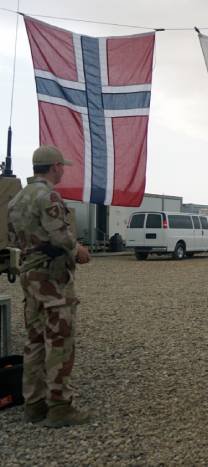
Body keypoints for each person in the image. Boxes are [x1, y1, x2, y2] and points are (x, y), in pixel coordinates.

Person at [7, 145, 92, 427]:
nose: (63, 170)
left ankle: (34, 404)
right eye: (62, 166)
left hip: (30, 276)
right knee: (59, 340)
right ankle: (59, 407)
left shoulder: (17, 199)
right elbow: (59, 236)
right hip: (52, 278)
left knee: (34, 341)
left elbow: (14, 237)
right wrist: (78, 250)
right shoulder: (48, 196)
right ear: (55, 166)